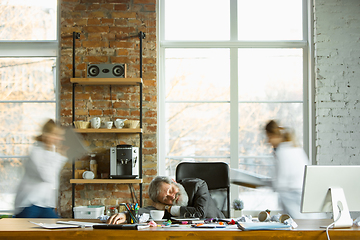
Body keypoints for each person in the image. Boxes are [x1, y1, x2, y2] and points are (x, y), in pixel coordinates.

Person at [265, 119, 324, 219]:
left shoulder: (282, 152)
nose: (268, 141)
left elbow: (280, 183)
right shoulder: (296, 148)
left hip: (294, 197)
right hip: (304, 195)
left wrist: (264, 183)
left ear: (275, 135)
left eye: (269, 137)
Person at [108, 176, 224, 224]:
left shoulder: (198, 185)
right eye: (165, 199)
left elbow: (200, 213)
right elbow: (149, 210)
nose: (172, 197)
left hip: (219, 229)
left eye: (170, 190)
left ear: (174, 181)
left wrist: (169, 208)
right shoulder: (165, 205)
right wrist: (127, 215)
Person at [14, 119, 68, 218]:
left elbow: (53, 180)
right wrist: (60, 157)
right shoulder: (36, 153)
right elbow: (47, 177)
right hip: (28, 204)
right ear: (47, 135)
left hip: (44, 205)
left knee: (59, 230)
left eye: (60, 136)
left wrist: (59, 156)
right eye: (56, 135)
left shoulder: (52, 153)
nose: (59, 139)